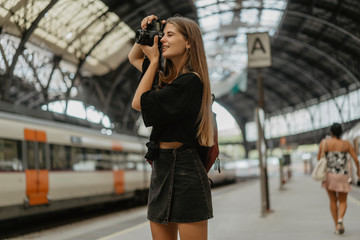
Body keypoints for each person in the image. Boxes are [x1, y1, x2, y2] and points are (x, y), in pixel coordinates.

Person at [128, 14, 214, 240]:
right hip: (162, 166)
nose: (162, 39)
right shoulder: (167, 78)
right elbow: (133, 57)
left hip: (185, 167)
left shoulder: (190, 82)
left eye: (169, 35)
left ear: (188, 42)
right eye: (162, 34)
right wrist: (144, 33)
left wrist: (154, 61)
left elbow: (138, 103)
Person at [317, 123, 360, 235]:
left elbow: (319, 159)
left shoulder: (324, 143)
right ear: (341, 132)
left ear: (331, 132)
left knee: (332, 200)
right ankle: (341, 218)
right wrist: (358, 171)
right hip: (342, 176)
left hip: (329, 176)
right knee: (343, 200)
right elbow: (356, 159)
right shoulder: (346, 144)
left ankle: (336, 225)